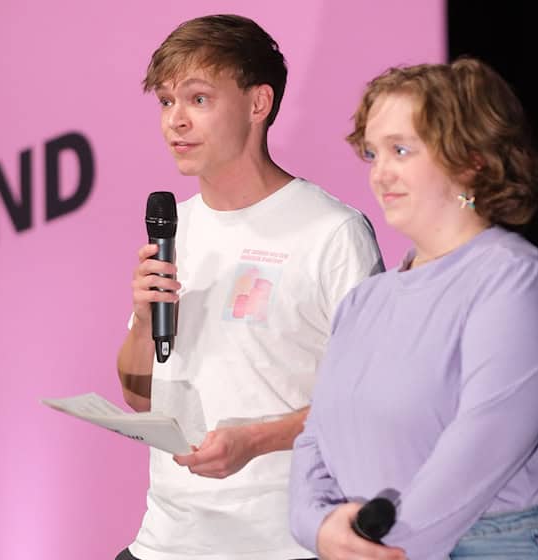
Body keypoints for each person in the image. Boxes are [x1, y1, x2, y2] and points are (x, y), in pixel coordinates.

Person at [115, 14, 384, 560]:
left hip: (282, 543)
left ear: (258, 105)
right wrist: (144, 321)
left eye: (198, 99)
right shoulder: (175, 229)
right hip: (165, 541)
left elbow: (367, 404)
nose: (176, 122)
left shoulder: (331, 233)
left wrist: (254, 440)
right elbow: (140, 397)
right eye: (166, 102)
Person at [288, 57, 538, 559]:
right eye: (372, 153)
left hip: (496, 546)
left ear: (470, 160)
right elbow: (317, 438)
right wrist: (314, 524)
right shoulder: (365, 300)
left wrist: (381, 545)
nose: (381, 173)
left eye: (401, 150)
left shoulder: (513, 279)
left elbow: (479, 451)